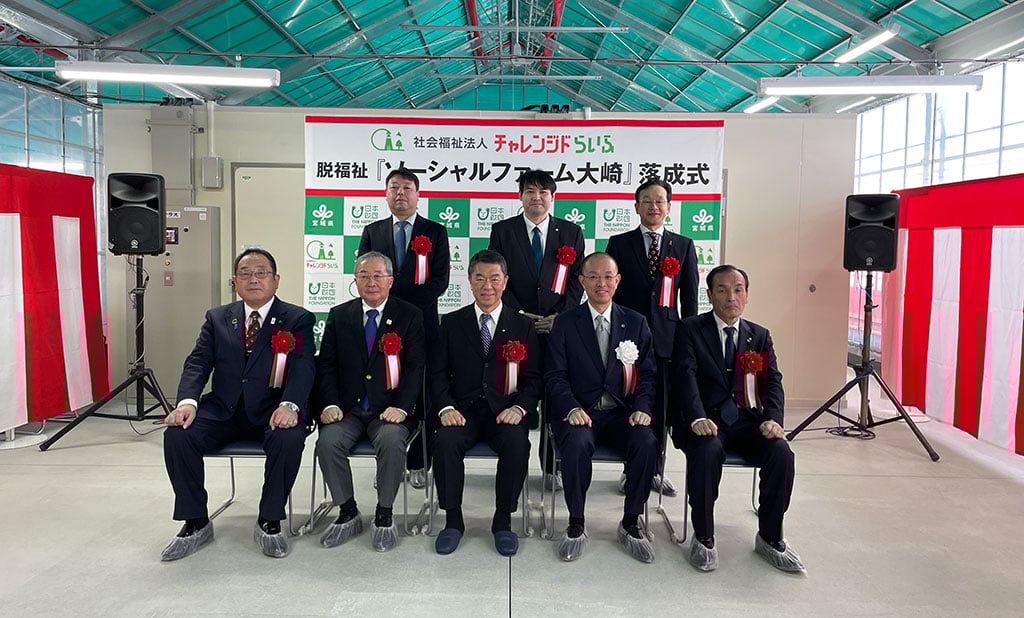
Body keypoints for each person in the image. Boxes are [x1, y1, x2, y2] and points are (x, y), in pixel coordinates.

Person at [161, 248, 315, 561]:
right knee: (178, 434)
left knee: (289, 438)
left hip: (273, 411)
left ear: (275, 280)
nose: (253, 279)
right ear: (235, 281)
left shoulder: (296, 318)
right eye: (245, 273)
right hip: (223, 411)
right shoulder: (218, 318)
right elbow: (198, 362)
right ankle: (195, 521)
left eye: (261, 272)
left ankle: (270, 519)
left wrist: (290, 405)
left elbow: (303, 366)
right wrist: (187, 402)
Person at [670, 265, 804, 573]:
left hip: (748, 421)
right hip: (705, 421)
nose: (731, 296)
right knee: (707, 451)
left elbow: (773, 382)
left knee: (781, 453)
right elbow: (684, 378)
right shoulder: (690, 329)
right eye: (722, 290)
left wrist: (773, 419)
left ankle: (770, 536)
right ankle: (704, 536)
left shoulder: (759, 335)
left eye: (738, 289)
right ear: (709, 295)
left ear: (746, 295)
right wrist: (697, 417)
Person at [545, 252, 659, 563]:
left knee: (647, 442)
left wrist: (642, 407)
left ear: (618, 281)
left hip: (624, 413)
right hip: (581, 413)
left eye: (608, 276)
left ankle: (631, 521)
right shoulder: (565, 323)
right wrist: (571, 408)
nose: (601, 283)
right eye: (593, 277)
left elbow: (648, 375)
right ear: (581, 281)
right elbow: (555, 376)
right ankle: (576, 523)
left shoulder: (636, 322)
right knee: (576, 443)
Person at [429, 250, 540, 557]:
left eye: (494, 278)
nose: (487, 286)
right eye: (479, 278)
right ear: (469, 280)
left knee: (517, 444)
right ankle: (453, 521)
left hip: (505, 412)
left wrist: (519, 408)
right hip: (462, 411)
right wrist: (446, 408)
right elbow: (437, 374)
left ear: (505, 281)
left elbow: (534, 379)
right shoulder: (452, 322)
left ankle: (503, 522)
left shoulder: (523, 325)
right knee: (445, 442)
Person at [314, 251, 425, 552]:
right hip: (348, 410)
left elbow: (416, 367)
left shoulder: (410, 315)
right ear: (355, 280)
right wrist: (329, 404)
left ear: (390, 281)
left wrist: (402, 407)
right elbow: (326, 366)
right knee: (327, 443)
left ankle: (384, 513)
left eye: (378, 276)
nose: (371, 282)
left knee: (391, 441)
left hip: (389, 411)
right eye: (364, 276)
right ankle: (348, 511)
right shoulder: (339, 314)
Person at [488, 168, 584, 491]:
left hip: (559, 329)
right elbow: (497, 276)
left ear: (553, 197)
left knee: (555, 395)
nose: (536, 197)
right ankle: (514, 461)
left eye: (543, 192)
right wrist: (518, 314)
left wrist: (560, 316)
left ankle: (552, 466)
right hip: (517, 328)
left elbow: (577, 281)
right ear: (520, 196)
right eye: (530, 191)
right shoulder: (503, 231)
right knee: (519, 392)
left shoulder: (571, 232)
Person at [605, 177, 699, 497]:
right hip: (625, 339)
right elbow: (610, 293)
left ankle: (656, 469)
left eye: (660, 201)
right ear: (636, 207)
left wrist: (688, 341)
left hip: (667, 340)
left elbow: (690, 300)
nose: (653, 206)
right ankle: (630, 468)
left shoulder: (683, 246)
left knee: (660, 405)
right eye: (647, 200)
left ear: (669, 207)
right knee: (627, 401)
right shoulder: (619, 243)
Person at [358, 167, 450, 489]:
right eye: (394, 187)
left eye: (407, 187)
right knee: (383, 389)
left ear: (418, 194)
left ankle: (419, 462)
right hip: (381, 324)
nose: (400, 193)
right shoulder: (373, 231)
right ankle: (388, 461)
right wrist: (388, 305)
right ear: (386, 194)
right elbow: (367, 276)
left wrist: (403, 307)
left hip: (422, 322)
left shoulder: (435, 231)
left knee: (422, 391)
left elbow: (440, 281)